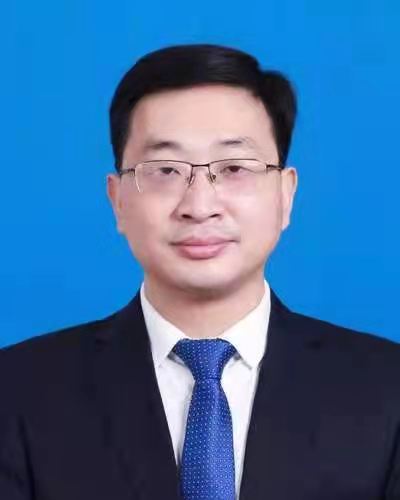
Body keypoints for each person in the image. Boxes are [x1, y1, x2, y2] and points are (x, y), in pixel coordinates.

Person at [1, 44, 399, 500]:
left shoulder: (387, 390)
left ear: (285, 195)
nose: (199, 206)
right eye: (165, 170)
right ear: (118, 200)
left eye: (234, 168)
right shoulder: (16, 392)